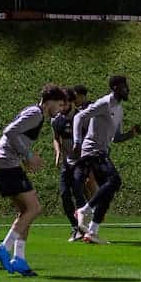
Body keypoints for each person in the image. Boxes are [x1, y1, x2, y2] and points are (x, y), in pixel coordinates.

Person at [0, 84, 68, 276]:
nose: (59, 111)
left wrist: (24, 158)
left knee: (26, 212)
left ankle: (20, 259)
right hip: (7, 163)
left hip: (5, 162)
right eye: (58, 105)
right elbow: (9, 131)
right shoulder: (36, 114)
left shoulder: (34, 112)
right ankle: (4, 248)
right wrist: (28, 156)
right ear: (49, 102)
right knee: (34, 208)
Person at [72, 75, 141, 244]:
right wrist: (76, 142)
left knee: (108, 191)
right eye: (124, 87)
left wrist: (131, 134)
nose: (128, 89)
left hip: (103, 151)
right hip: (92, 150)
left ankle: (92, 233)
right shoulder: (104, 103)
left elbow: (115, 138)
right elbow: (78, 117)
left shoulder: (119, 109)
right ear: (115, 88)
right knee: (115, 180)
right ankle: (84, 211)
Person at [52, 84, 92, 241]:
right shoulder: (57, 120)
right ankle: (75, 227)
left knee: (78, 191)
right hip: (66, 163)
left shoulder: (82, 117)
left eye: (64, 103)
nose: (61, 107)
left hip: (80, 162)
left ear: (72, 102)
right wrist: (58, 152)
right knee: (64, 194)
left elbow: (90, 138)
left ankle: (84, 227)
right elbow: (56, 138)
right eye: (60, 104)